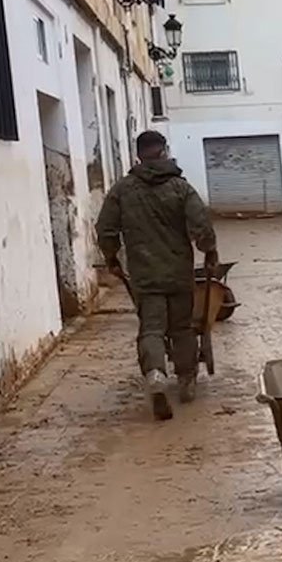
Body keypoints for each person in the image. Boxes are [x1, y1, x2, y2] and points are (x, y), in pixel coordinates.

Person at [96, 130, 217, 421]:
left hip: (144, 275)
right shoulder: (180, 188)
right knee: (182, 327)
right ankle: (186, 379)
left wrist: (111, 258)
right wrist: (210, 251)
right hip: (178, 273)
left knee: (150, 329)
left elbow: (105, 229)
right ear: (163, 151)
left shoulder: (122, 190)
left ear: (138, 155)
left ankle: (155, 374)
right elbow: (200, 224)